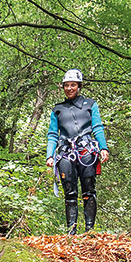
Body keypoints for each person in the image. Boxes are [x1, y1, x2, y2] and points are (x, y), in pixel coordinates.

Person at [46, 70, 109, 234]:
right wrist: (50, 155)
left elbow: (97, 126)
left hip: (86, 151)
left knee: (89, 190)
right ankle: (71, 232)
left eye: (73, 85)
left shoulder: (90, 105)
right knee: (70, 193)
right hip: (65, 153)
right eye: (66, 85)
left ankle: (89, 231)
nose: (69, 88)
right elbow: (53, 134)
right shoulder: (57, 110)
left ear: (79, 86)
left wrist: (103, 147)